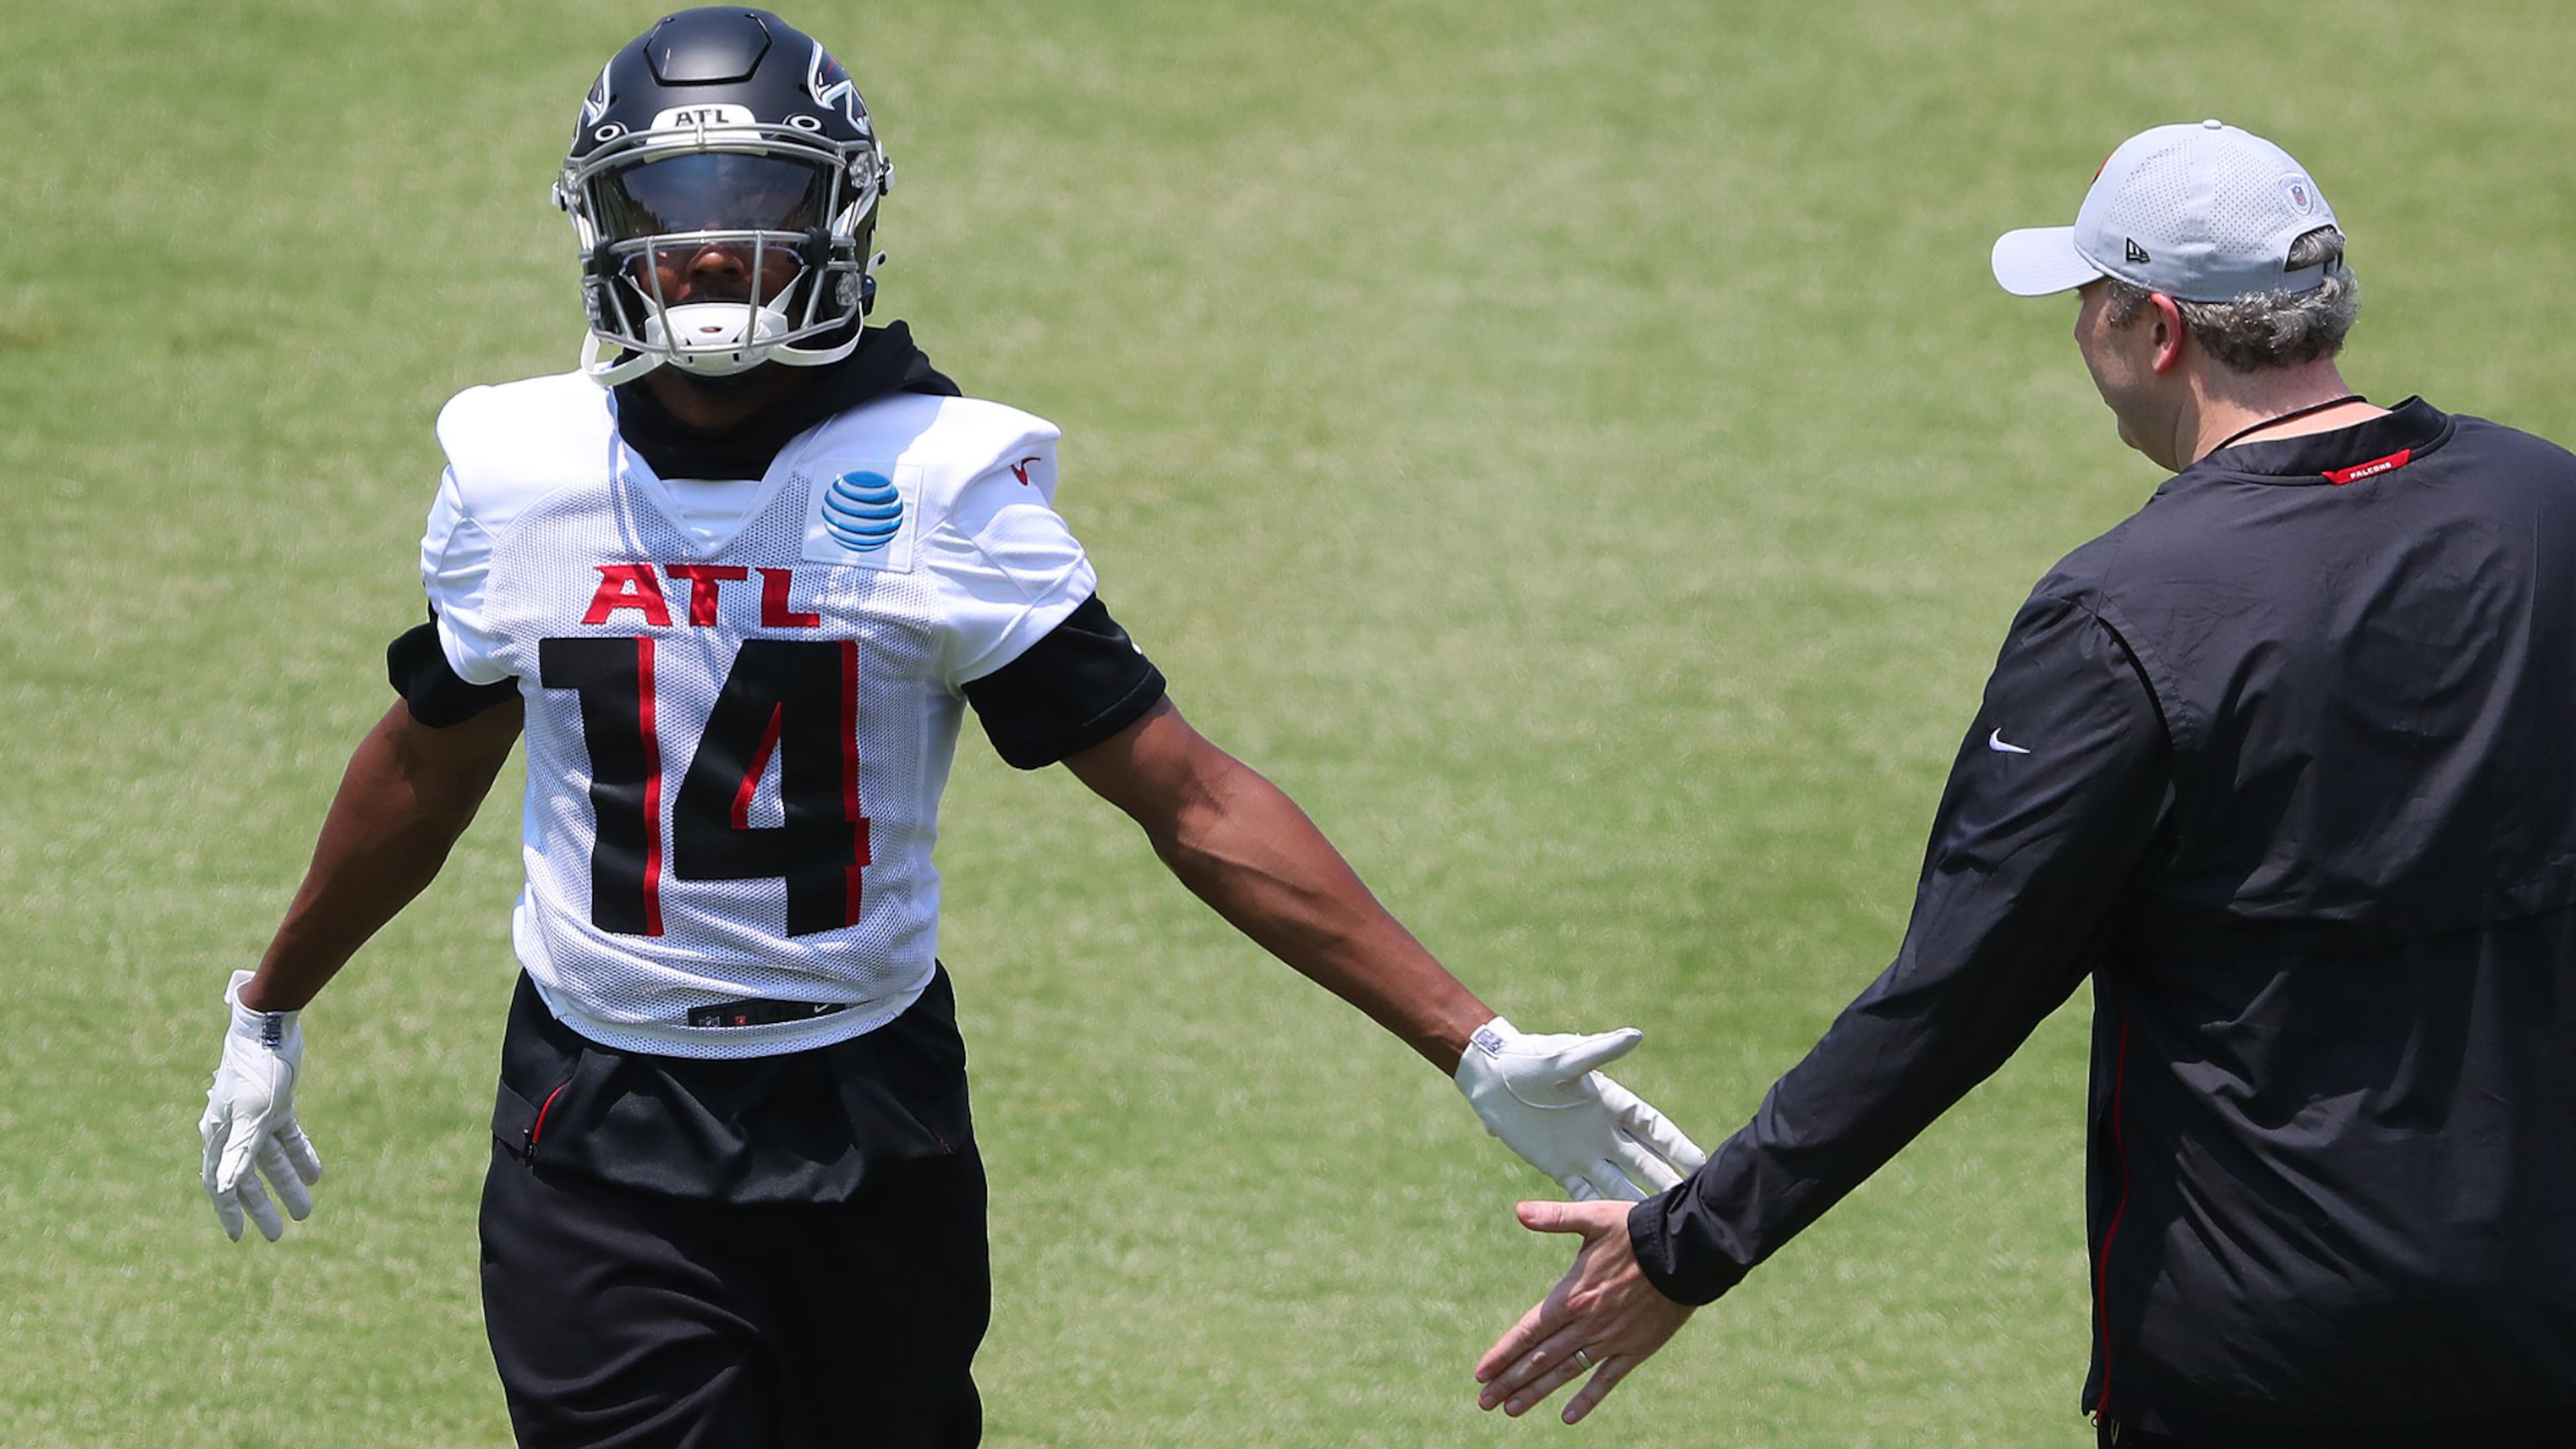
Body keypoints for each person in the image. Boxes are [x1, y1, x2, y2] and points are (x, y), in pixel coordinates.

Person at [193, 10, 1706, 1447]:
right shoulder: (521, 471)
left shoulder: (940, 481)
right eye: (674, 202)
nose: (715, 245)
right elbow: (427, 758)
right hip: (600, 1124)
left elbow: (1186, 796)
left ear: (842, 211)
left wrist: (1470, 1041)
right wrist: (274, 998)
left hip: (872, 1114)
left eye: (760, 198)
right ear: (603, 226)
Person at [1472, 120, 2576, 1446]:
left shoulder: (2125, 616)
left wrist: (1687, 1247)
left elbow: (1958, 993)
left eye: (2086, 305)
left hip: (2274, 1357)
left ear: (2156, 329)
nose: (2078, 340)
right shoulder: (2547, 505)